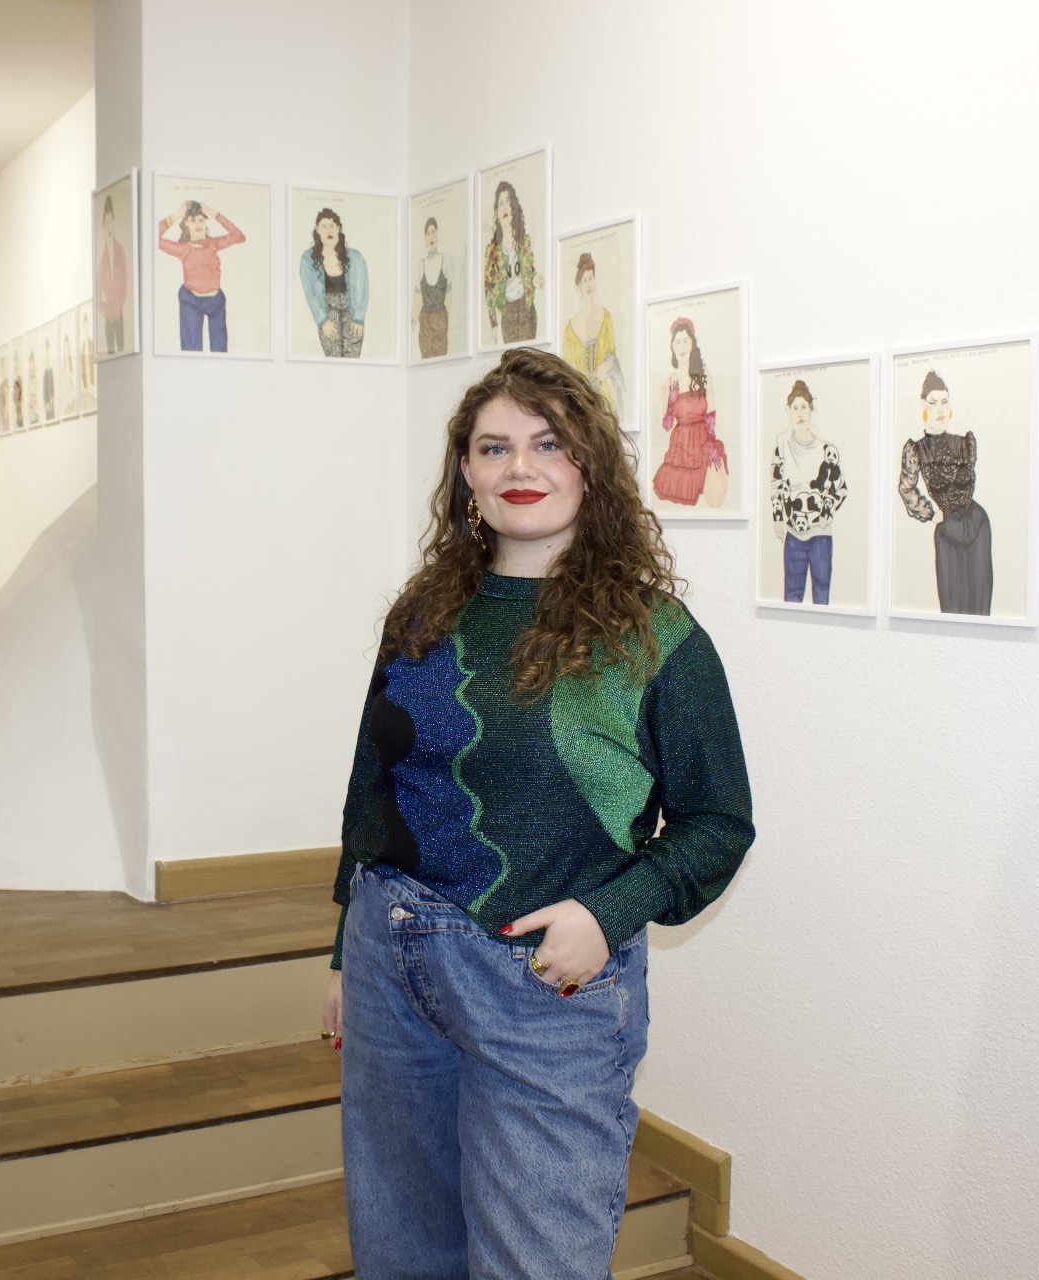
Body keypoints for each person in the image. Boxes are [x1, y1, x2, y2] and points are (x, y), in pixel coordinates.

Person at [322, 346, 754, 1280]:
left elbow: (720, 822)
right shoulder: (422, 613)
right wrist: (343, 954)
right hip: (389, 959)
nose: (520, 467)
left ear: (590, 464)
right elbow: (371, 789)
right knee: (402, 1253)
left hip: (542, 983)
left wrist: (608, 913)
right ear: (466, 473)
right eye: (495, 447)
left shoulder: (653, 637)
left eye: (548, 443)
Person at [897, 370, 992, 614]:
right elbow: (906, 487)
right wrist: (930, 513)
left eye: (944, 402)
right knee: (952, 604)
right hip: (947, 528)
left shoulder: (965, 442)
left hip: (977, 524)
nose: (940, 410)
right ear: (923, 404)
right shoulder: (917, 449)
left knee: (980, 603)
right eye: (933, 403)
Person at [770, 379, 848, 604]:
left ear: (811, 408)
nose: (800, 413)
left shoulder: (827, 450)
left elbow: (841, 489)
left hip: (820, 535)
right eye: (795, 408)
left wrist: (825, 514)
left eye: (804, 407)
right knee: (792, 596)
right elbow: (776, 484)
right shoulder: (782, 443)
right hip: (793, 534)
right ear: (788, 410)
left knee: (821, 596)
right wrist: (778, 519)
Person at [649, 318, 726, 509]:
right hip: (680, 446)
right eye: (678, 342)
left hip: (703, 441)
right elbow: (667, 426)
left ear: (692, 344)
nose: (682, 346)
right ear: (672, 347)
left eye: (685, 341)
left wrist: (711, 444)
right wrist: (671, 401)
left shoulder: (704, 374)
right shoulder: (669, 382)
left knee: (714, 499)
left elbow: (711, 412)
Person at [158, 199, 246, 353]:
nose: (198, 224)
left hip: (215, 302)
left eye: (201, 220)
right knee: (191, 352)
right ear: (186, 223)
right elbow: (150, 238)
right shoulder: (183, 248)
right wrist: (176, 215)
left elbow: (239, 236)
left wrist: (212, 212)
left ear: (206, 222)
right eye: (192, 220)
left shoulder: (213, 244)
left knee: (220, 352)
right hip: (191, 301)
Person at [298, 207, 369, 359]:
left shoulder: (355, 257)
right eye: (324, 226)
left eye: (332, 225)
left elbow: (362, 289)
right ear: (317, 229)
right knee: (333, 362)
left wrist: (359, 318)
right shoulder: (308, 259)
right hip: (328, 318)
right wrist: (323, 320)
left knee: (352, 362)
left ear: (339, 229)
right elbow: (310, 294)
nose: (329, 230)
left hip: (352, 316)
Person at [560, 252, 624, 418]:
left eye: (591, 278)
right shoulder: (570, 329)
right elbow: (565, 370)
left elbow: (612, 356)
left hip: (604, 396)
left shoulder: (606, 316)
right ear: (578, 285)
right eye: (584, 280)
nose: (588, 284)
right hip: (581, 402)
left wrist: (604, 368)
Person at [482, 179, 539, 344]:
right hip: (508, 316)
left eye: (508, 201)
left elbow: (530, 272)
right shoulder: (492, 252)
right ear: (497, 211)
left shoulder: (524, 242)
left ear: (514, 206)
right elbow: (489, 290)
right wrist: (493, 323)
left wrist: (536, 279)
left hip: (527, 310)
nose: (505, 207)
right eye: (501, 203)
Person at [413, 215, 451, 359]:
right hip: (425, 324)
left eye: (433, 232)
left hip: (440, 321)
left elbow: (449, 296)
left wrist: (447, 321)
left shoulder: (445, 260)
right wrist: (412, 320)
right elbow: (417, 298)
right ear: (424, 238)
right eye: (428, 233)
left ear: (437, 234)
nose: (431, 236)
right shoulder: (420, 265)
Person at [97, 195, 129, 354]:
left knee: (121, 349)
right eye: (106, 222)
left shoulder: (120, 250)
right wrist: (104, 308)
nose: (109, 226)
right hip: (107, 313)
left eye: (111, 221)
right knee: (110, 352)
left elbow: (124, 280)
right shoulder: (100, 255)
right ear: (103, 225)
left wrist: (119, 302)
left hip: (118, 310)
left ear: (114, 222)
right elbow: (97, 289)